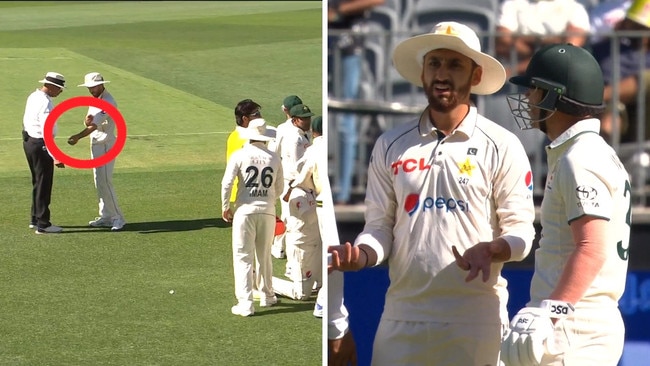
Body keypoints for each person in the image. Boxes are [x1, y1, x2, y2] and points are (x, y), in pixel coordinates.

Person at [328, 22, 536, 365]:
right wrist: (361, 255)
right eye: (435, 63)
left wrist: (493, 248)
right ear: (423, 72)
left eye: (455, 65)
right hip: (402, 318)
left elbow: (522, 233)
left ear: (475, 75)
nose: (442, 73)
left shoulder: (502, 145)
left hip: (477, 320)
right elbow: (379, 229)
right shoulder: (390, 144)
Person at [500, 43, 632, 366]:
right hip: (580, 323)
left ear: (551, 97)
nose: (528, 99)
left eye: (533, 90)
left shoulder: (581, 157)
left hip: (575, 328)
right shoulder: (587, 152)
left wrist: (552, 311)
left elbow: (591, 248)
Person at [221, 118, 283, 317]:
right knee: (264, 255)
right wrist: (270, 200)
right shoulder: (274, 158)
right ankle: (267, 295)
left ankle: (246, 303)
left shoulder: (240, 154)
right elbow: (280, 187)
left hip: (245, 210)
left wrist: (225, 207)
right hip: (267, 210)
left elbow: (227, 183)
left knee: (243, 257)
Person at [329, 0, 385, 204]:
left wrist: (338, 10)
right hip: (324, 41)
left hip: (348, 45)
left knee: (345, 119)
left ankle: (342, 192)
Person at [272, 104, 320, 301]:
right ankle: (273, 277)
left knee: (309, 234)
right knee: (295, 231)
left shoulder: (301, 134)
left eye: (308, 117)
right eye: (303, 118)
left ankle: (305, 272)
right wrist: (292, 188)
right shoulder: (294, 138)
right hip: (295, 189)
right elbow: (296, 169)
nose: (307, 120)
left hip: (303, 189)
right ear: (294, 118)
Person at [67, 72, 126, 231]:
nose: (91, 90)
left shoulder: (109, 101)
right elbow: (89, 121)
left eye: (93, 87)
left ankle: (118, 218)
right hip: (97, 143)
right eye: (89, 88)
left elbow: (93, 125)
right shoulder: (95, 99)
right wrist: (87, 121)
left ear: (101, 85)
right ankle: (106, 215)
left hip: (106, 144)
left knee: (105, 180)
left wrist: (78, 136)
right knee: (98, 180)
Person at [592, 0, 650, 143]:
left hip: (642, 110)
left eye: (644, 28)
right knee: (609, 122)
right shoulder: (605, 48)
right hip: (608, 107)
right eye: (635, 25)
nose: (639, 33)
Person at [495, 0, 590, 77]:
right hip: (515, 81)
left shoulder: (575, 8)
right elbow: (503, 39)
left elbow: (569, 48)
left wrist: (516, 68)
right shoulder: (512, 4)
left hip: (555, 80)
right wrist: (553, 43)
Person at [23, 72, 66, 234]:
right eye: (59, 88)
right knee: (44, 184)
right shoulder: (45, 103)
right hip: (40, 144)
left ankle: (35, 218)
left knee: (37, 181)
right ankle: (43, 224)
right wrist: (55, 156)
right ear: (51, 86)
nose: (60, 92)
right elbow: (47, 130)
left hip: (29, 142)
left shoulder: (33, 96)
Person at [268, 94, 304, 260]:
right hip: (290, 179)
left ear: (285, 110)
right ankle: (279, 247)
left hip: (287, 176)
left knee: (290, 215)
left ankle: (279, 246)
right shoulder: (292, 129)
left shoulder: (282, 129)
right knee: (289, 216)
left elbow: (273, 152)